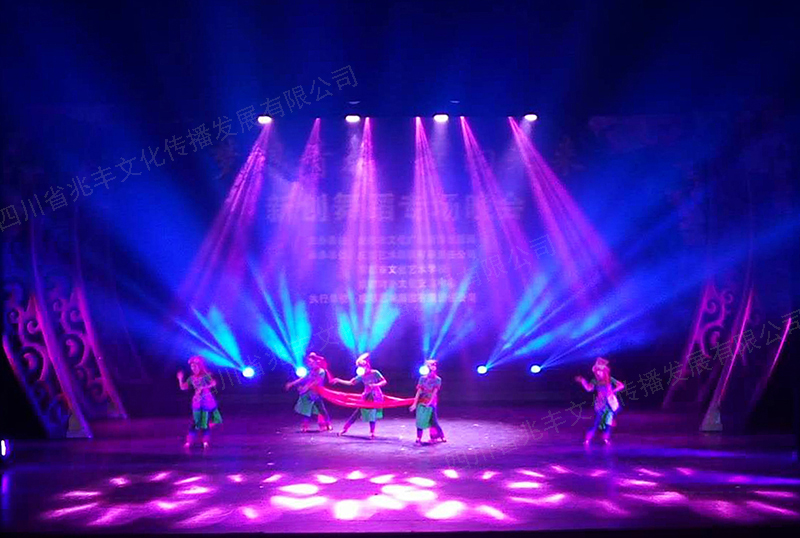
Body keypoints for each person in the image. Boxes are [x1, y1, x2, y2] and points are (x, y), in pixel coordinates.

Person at [333, 353, 387, 439]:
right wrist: (339, 380)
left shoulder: (375, 373)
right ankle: (345, 429)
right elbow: (351, 383)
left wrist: (375, 385)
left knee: (372, 413)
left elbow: (384, 381)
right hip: (366, 396)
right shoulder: (362, 376)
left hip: (375, 396)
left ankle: (372, 432)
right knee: (357, 412)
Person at [575, 357, 624, 445]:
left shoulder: (610, 379)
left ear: (604, 371)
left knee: (608, 422)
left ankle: (606, 439)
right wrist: (583, 381)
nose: (598, 373)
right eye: (597, 371)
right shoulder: (595, 381)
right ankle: (588, 439)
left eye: (600, 371)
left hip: (609, 403)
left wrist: (612, 391)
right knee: (596, 421)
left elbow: (621, 385)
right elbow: (589, 389)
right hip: (601, 403)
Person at [177, 356, 222, 449]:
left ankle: (205, 441)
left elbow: (213, 383)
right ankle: (189, 441)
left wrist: (203, 387)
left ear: (200, 366)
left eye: (195, 366)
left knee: (207, 420)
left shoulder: (205, 376)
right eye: (192, 367)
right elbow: (183, 387)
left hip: (207, 400)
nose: (193, 368)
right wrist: (180, 379)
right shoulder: (191, 378)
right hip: (197, 401)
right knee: (195, 421)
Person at [285, 352, 332, 432]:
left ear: (316, 362)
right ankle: (305, 426)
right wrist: (292, 384)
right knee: (306, 409)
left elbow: (317, 381)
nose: (309, 364)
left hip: (316, 393)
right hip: (309, 393)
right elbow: (302, 379)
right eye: (308, 362)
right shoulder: (310, 371)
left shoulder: (321, 371)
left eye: (311, 362)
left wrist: (307, 387)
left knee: (322, 410)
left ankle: (328, 424)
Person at [410, 359, 446, 444]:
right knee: (420, 420)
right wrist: (414, 403)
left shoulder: (437, 379)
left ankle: (442, 436)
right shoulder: (422, 379)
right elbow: (418, 392)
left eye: (432, 365)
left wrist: (429, 403)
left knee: (433, 421)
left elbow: (434, 393)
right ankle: (418, 437)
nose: (430, 367)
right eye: (428, 366)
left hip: (431, 402)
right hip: (422, 401)